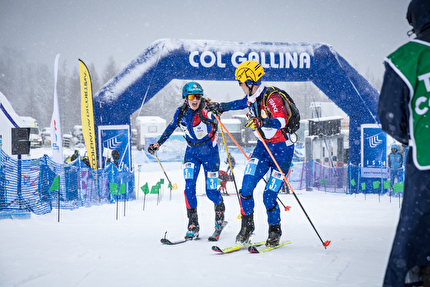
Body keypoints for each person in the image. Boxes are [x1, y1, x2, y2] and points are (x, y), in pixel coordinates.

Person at [207, 60, 295, 246]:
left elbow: (281, 121)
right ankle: (247, 227)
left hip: (282, 151)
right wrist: (220, 106)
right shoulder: (252, 98)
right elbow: (238, 104)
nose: (239, 85)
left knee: (269, 196)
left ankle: (274, 231)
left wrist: (262, 123)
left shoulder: (271, 97)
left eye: (240, 82)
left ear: (249, 81)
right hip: (263, 149)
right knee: (245, 189)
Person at [377, 0, 430, 286]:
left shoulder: (406, 58)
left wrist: (411, 137)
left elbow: (390, 117)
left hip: (425, 166)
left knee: (413, 241)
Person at [147, 81, 225, 241]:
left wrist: (217, 110)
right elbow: (170, 128)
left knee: (211, 192)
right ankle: (193, 225)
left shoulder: (206, 110)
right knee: (189, 189)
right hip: (192, 154)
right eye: (191, 97)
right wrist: (158, 143)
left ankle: (219, 217)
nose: (194, 100)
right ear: (186, 98)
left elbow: (215, 115)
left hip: (210, 154)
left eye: (197, 96)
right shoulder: (181, 112)